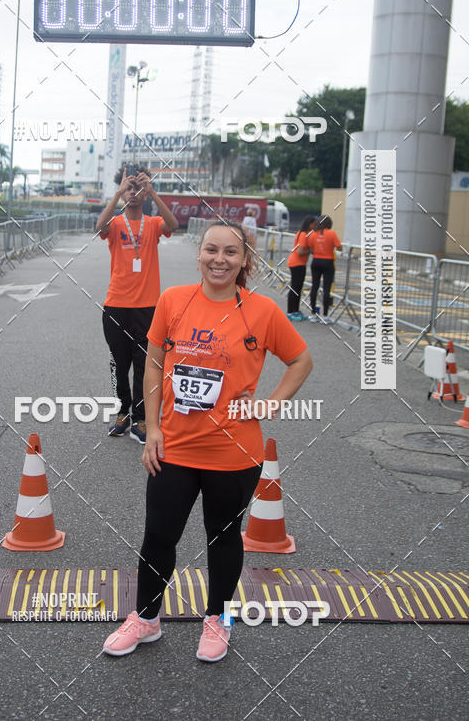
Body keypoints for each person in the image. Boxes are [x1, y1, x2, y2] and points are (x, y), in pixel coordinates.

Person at [103, 220, 312, 662]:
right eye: (211, 250)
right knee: (158, 536)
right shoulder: (173, 300)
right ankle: (146, 618)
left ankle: (218, 619)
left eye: (231, 252)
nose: (220, 259)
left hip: (234, 452)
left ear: (244, 260)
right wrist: (153, 429)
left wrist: (269, 404)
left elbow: (300, 360)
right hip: (174, 446)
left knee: (224, 537)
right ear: (199, 254)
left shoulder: (262, 311)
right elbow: (154, 365)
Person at [96, 166, 179, 444]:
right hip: (116, 306)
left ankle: (141, 418)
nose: (133, 192)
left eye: (138, 187)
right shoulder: (116, 223)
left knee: (144, 365)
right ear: (122, 192)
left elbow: (173, 225)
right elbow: (99, 227)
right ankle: (123, 413)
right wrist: (117, 193)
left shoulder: (153, 224)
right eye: (129, 187)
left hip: (148, 308)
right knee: (119, 364)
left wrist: (152, 191)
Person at [307, 215, 342, 324]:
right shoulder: (332, 234)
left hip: (316, 261)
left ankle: (313, 314)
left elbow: (311, 249)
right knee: (326, 288)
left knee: (314, 287)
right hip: (328, 261)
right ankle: (325, 315)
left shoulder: (313, 234)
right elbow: (339, 247)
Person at [286, 215, 317, 321]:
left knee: (297, 288)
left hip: (298, 263)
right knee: (295, 288)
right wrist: (310, 250)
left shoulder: (302, 233)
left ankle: (295, 310)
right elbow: (300, 252)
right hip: (297, 263)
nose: (315, 226)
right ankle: (291, 312)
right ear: (309, 224)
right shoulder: (303, 235)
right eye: (314, 224)